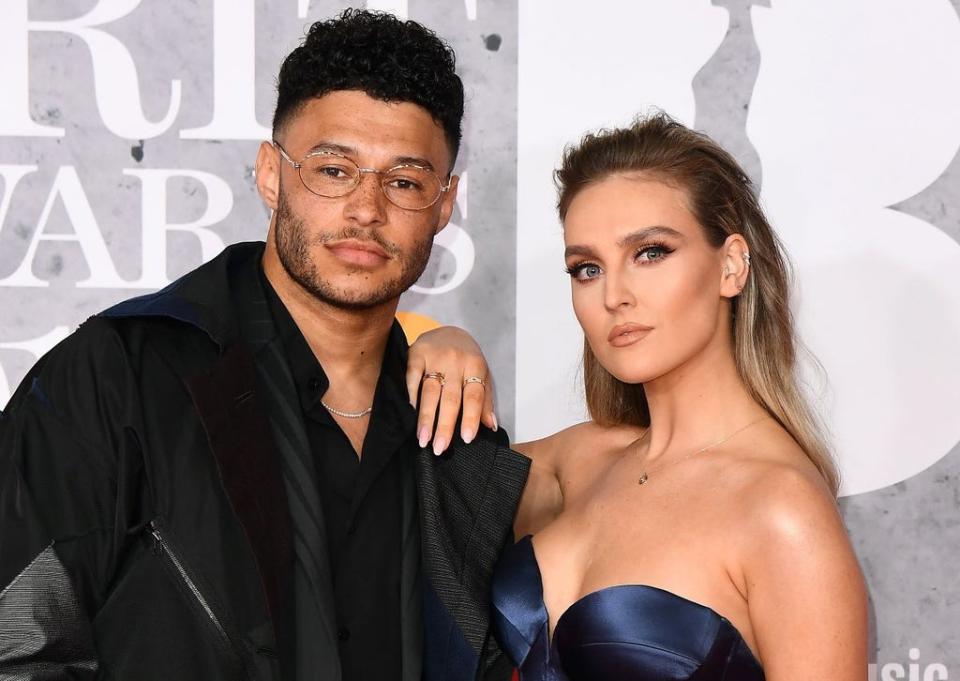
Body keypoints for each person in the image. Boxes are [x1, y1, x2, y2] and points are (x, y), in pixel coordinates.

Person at [0, 10, 528, 681]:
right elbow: (14, 643)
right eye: (334, 170)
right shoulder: (121, 375)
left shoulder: (455, 435)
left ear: (444, 203)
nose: (367, 208)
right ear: (271, 175)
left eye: (403, 181)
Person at [488, 113, 868, 679]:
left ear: (731, 265)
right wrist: (441, 349)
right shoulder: (578, 461)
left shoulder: (781, 509)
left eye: (650, 253)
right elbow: (403, 488)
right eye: (587, 268)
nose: (615, 295)